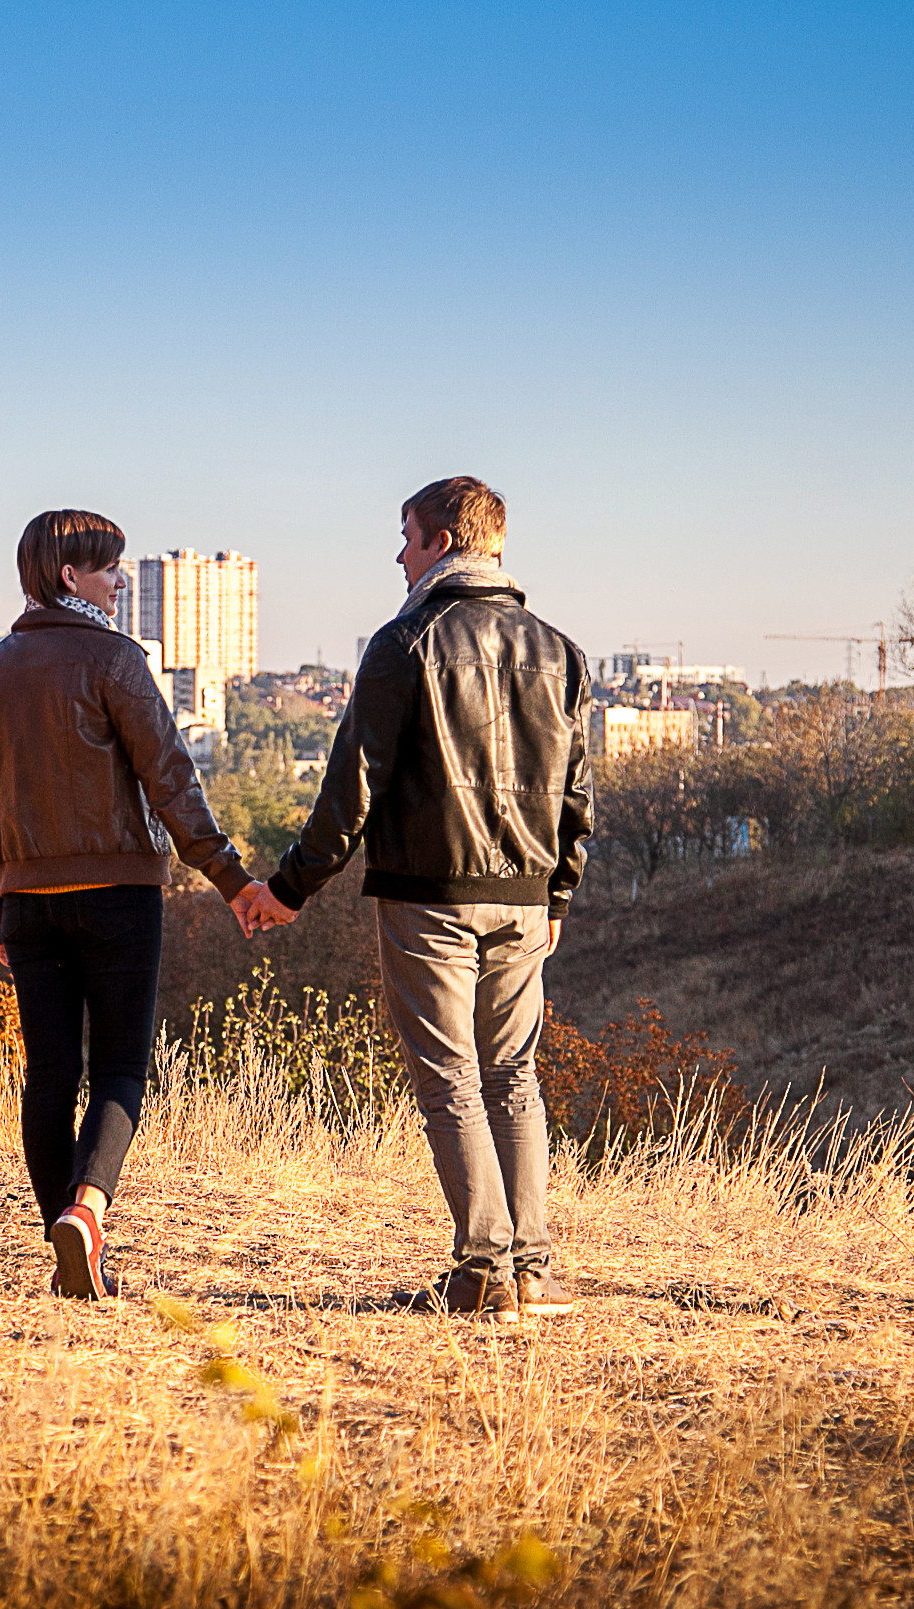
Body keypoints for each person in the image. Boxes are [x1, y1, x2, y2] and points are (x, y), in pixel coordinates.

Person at [234, 477, 591, 1324]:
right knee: (514, 1076)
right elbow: (579, 793)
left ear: (440, 540)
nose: (397, 555)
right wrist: (558, 896)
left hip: (429, 896)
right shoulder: (560, 651)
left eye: (405, 536)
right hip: (523, 897)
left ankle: (481, 1272)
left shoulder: (406, 642)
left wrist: (289, 889)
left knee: (450, 1079)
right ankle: (530, 1271)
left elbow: (352, 785)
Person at [0, 510, 279, 1300]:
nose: (118, 580)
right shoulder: (116, 658)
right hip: (119, 893)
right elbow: (170, 777)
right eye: (108, 568)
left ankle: (72, 1246)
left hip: (28, 899)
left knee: (48, 1075)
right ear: (70, 575)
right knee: (120, 1068)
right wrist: (231, 878)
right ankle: (89, 1211)